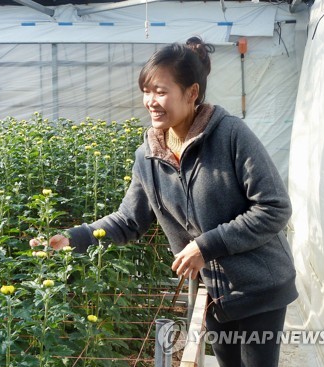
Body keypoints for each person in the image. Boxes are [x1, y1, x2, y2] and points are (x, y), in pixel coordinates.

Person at [36, 36, 298, 367]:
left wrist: (206, 246)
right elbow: (128, 220)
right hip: (216, 293)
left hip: (260, 286)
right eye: (146, 91)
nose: (150, 101)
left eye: (161, 91)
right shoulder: (148, 157)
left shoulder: (230, 135)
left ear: (192, 93)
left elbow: (274, 207)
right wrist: (75, 238)